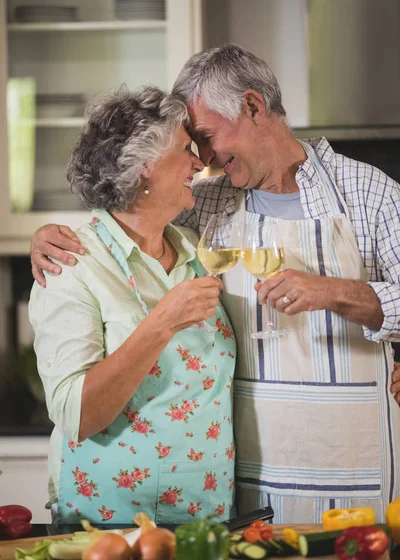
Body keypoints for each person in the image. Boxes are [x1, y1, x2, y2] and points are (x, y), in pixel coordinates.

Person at [31, 44, 400, 524]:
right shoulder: (204, 205)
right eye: (190, 146)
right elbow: (121, 211)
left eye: (203, 136)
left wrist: (334, 291)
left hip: (349, 465)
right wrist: (45, 236)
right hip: (241, 482)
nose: (201, 159)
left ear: (252, 106)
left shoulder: (370, 194)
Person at [29, 86, 236, 525]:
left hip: (208, 516)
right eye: (185, 149)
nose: (200, 163)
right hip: (109, 525)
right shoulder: (72, 263)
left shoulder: (199, 251)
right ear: (146, 167)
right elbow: (77, 416)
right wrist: (161, 322)